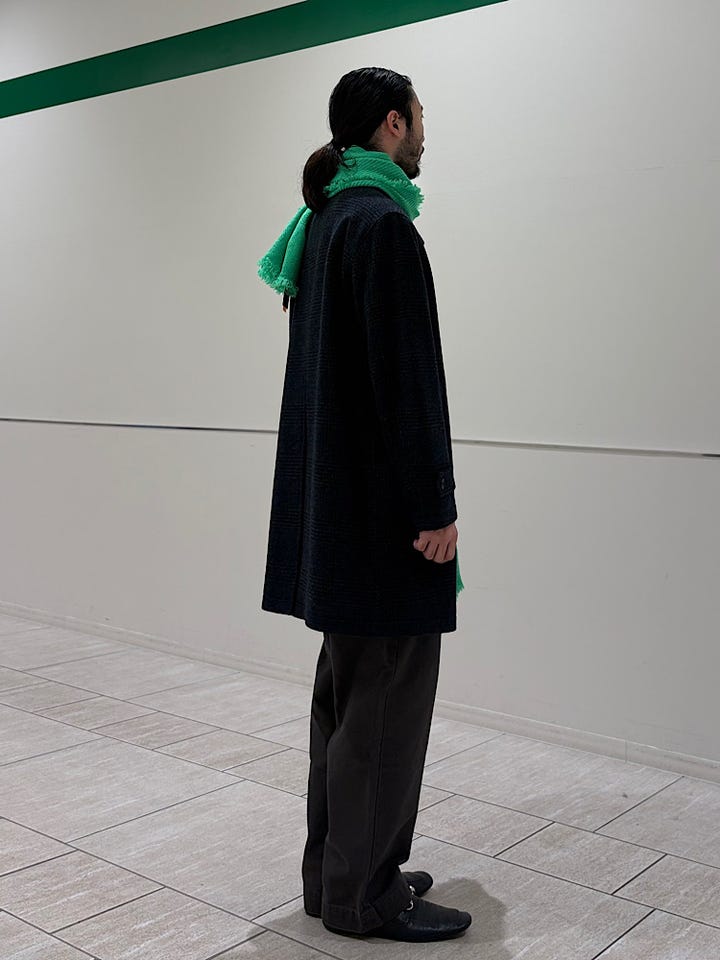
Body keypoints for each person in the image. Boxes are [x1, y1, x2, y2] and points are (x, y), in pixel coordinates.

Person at [257, 67, 471, 942]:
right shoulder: (382, 226)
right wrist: (434, 509)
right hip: (386, 527)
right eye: (419, 118)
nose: (424, 134)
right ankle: (367, 897)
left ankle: (336, 877)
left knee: (348, 711)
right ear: (391, 124)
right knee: (383, 713)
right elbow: (405, 385)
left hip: (338, 521)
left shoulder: (323, 222)